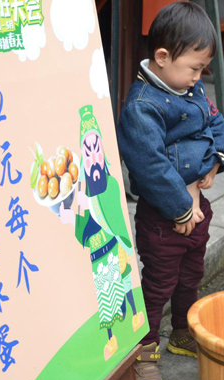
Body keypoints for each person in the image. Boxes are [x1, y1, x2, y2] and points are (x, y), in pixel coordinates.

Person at [117, 2, 224, 380]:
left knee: (191, 275)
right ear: (162, 57)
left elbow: (215, 121)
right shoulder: (141, 106)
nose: (199, 78)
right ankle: (144, 353)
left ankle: (182, 332)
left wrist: (217, 161)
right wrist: (182, 206)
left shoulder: (190, 86)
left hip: (198, 207)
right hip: (165, 217)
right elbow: (149, 166)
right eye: (194, 68)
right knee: (158, 284)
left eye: (202, 69)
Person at [60, 105, 145, 361]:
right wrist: (70, 209)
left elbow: (111, 210)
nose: (93, 155)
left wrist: (91, 204)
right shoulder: (82, 188)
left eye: (97, 148)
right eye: (88, 151)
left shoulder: (110, 182)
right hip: (97, 251)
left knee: (125, 280)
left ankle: (135, 315)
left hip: (113, 243)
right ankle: (111, 340)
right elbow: (78, 221)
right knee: (106, 294)